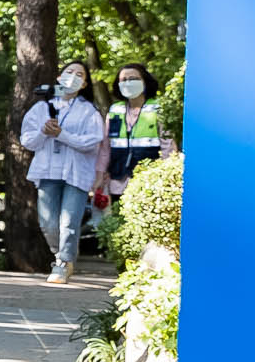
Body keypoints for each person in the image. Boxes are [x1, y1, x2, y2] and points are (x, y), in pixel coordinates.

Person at [21, 59, 107, 282]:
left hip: (76, 173)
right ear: (59, 78)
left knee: (69, 221)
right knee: (48, 223)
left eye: (80, 74)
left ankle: (63, 263)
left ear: (85, 84)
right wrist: (44, 131)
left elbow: (91, 142)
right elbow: (27, 140)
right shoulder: (41, 108)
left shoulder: (90, 112)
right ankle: (61, 254)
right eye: (69, 72)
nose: (73, 77)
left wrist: (61, 135)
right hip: (48, 171)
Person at [104, 63, 173, 201]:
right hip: (117, 180)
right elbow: (105, 148)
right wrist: (101, 174)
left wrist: (168, 177)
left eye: (134, 78)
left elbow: (168, 146)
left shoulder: (158, 108)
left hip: (149, 181)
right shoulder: (114, 110)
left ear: (145, 82)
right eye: (123, 80)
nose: (128, 83)